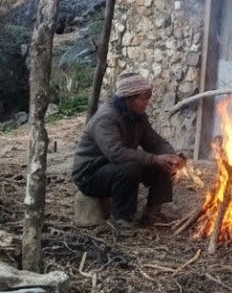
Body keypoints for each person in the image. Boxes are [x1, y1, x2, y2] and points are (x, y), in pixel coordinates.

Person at [72, 72, 185, 227]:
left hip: (114, 166)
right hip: (90, 174)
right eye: (143, 98)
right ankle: (121, 218)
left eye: (148, 97)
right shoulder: (106, 118)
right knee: (129, 169)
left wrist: (172, 156)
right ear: (128, 98)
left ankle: (153, 211)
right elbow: (116, 154)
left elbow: (155, 142)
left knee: (163, 165)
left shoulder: (138, 116)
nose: (147, 102)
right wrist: (154, 159)